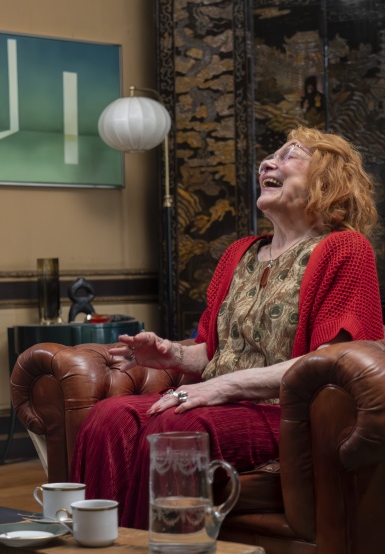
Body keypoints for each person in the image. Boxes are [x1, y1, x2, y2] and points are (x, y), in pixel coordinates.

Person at [69, 126, 384, 529]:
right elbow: (214, 350)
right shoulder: (240, 253)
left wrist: (222, 387)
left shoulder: (345, 248)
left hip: (287, 416)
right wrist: (171, 354)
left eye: (289, 155)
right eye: (269, 156)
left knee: (178, 429)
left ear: (328, 179)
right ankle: (98, 544)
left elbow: (329, 366)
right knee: (108, 418)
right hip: (223, 404)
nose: (267, 163)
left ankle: (163, 548)